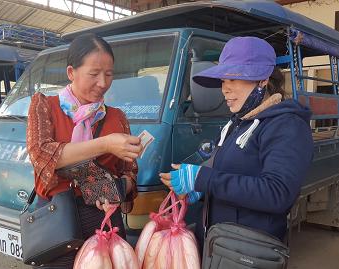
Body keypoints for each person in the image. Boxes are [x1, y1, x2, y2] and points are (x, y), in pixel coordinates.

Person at [159, 36, 314, 243]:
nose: (225, 89)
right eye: (223, 80)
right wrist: (199, 190)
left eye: (233, 78)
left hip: (247, 252)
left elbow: (278, 193)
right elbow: (230, 178)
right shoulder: (238, 123)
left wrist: (203, 179)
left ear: (263, 80)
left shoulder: (287, 126)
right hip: (219, 245)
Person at [26, 33, 142, 268]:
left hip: (104, 219)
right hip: (57, 219)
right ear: (71, 72)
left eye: (109, 75)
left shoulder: (117, 117)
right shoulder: (44, 106)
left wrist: (115, 189)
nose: (102, 83)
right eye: (94, 74)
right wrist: (106, 144)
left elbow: (129, 173)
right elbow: (42, 155)